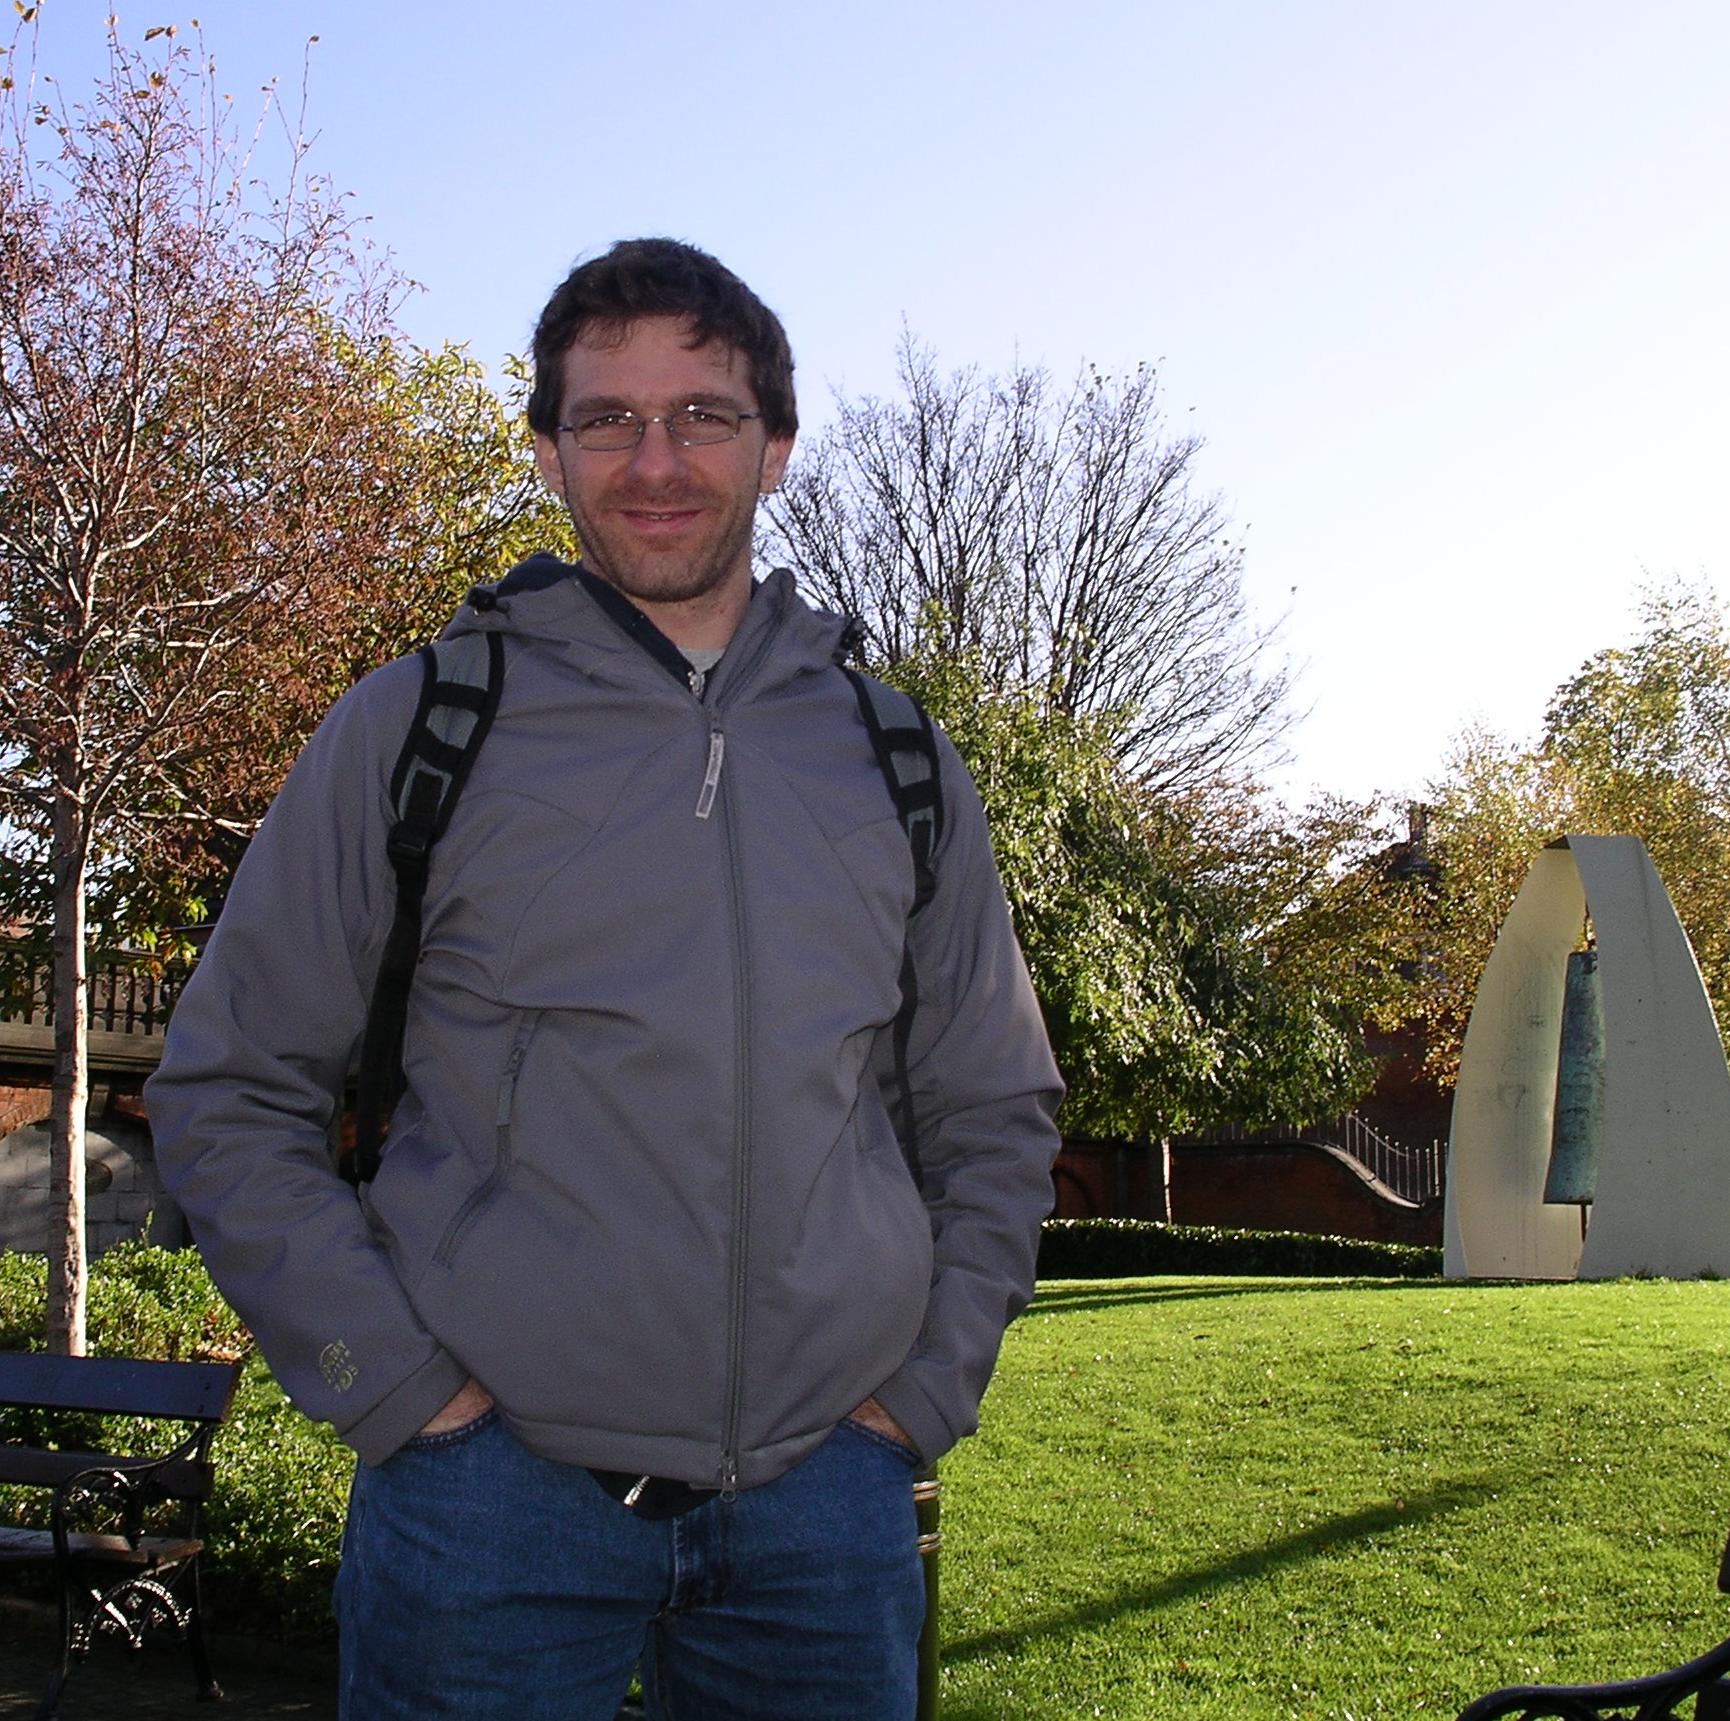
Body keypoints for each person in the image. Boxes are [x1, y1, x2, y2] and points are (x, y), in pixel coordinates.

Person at [145, 237, 1063, 1720]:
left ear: (775, 445)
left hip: (826, 1509)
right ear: (548, 450)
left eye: (702, 415)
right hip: (488, 1510)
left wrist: (920, 1397)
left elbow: (994, 1107)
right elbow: (230, 1089)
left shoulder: (897, 757)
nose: (655, 461)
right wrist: (402, 1396)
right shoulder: (419, 726)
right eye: (608, 419)